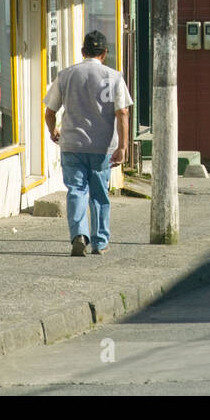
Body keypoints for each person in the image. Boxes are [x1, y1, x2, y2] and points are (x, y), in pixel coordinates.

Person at [44, 30, 131, 257]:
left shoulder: (66, 75)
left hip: (72, 144)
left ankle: (79, 235)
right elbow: (122, 113)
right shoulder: (114, 77)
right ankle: (100, 242)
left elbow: (49, 111)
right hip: (102, 147)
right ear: (105, 53)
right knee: (99, 195)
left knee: (76, 190)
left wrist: (53, 131)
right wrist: (122, 146)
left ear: (83, 52)